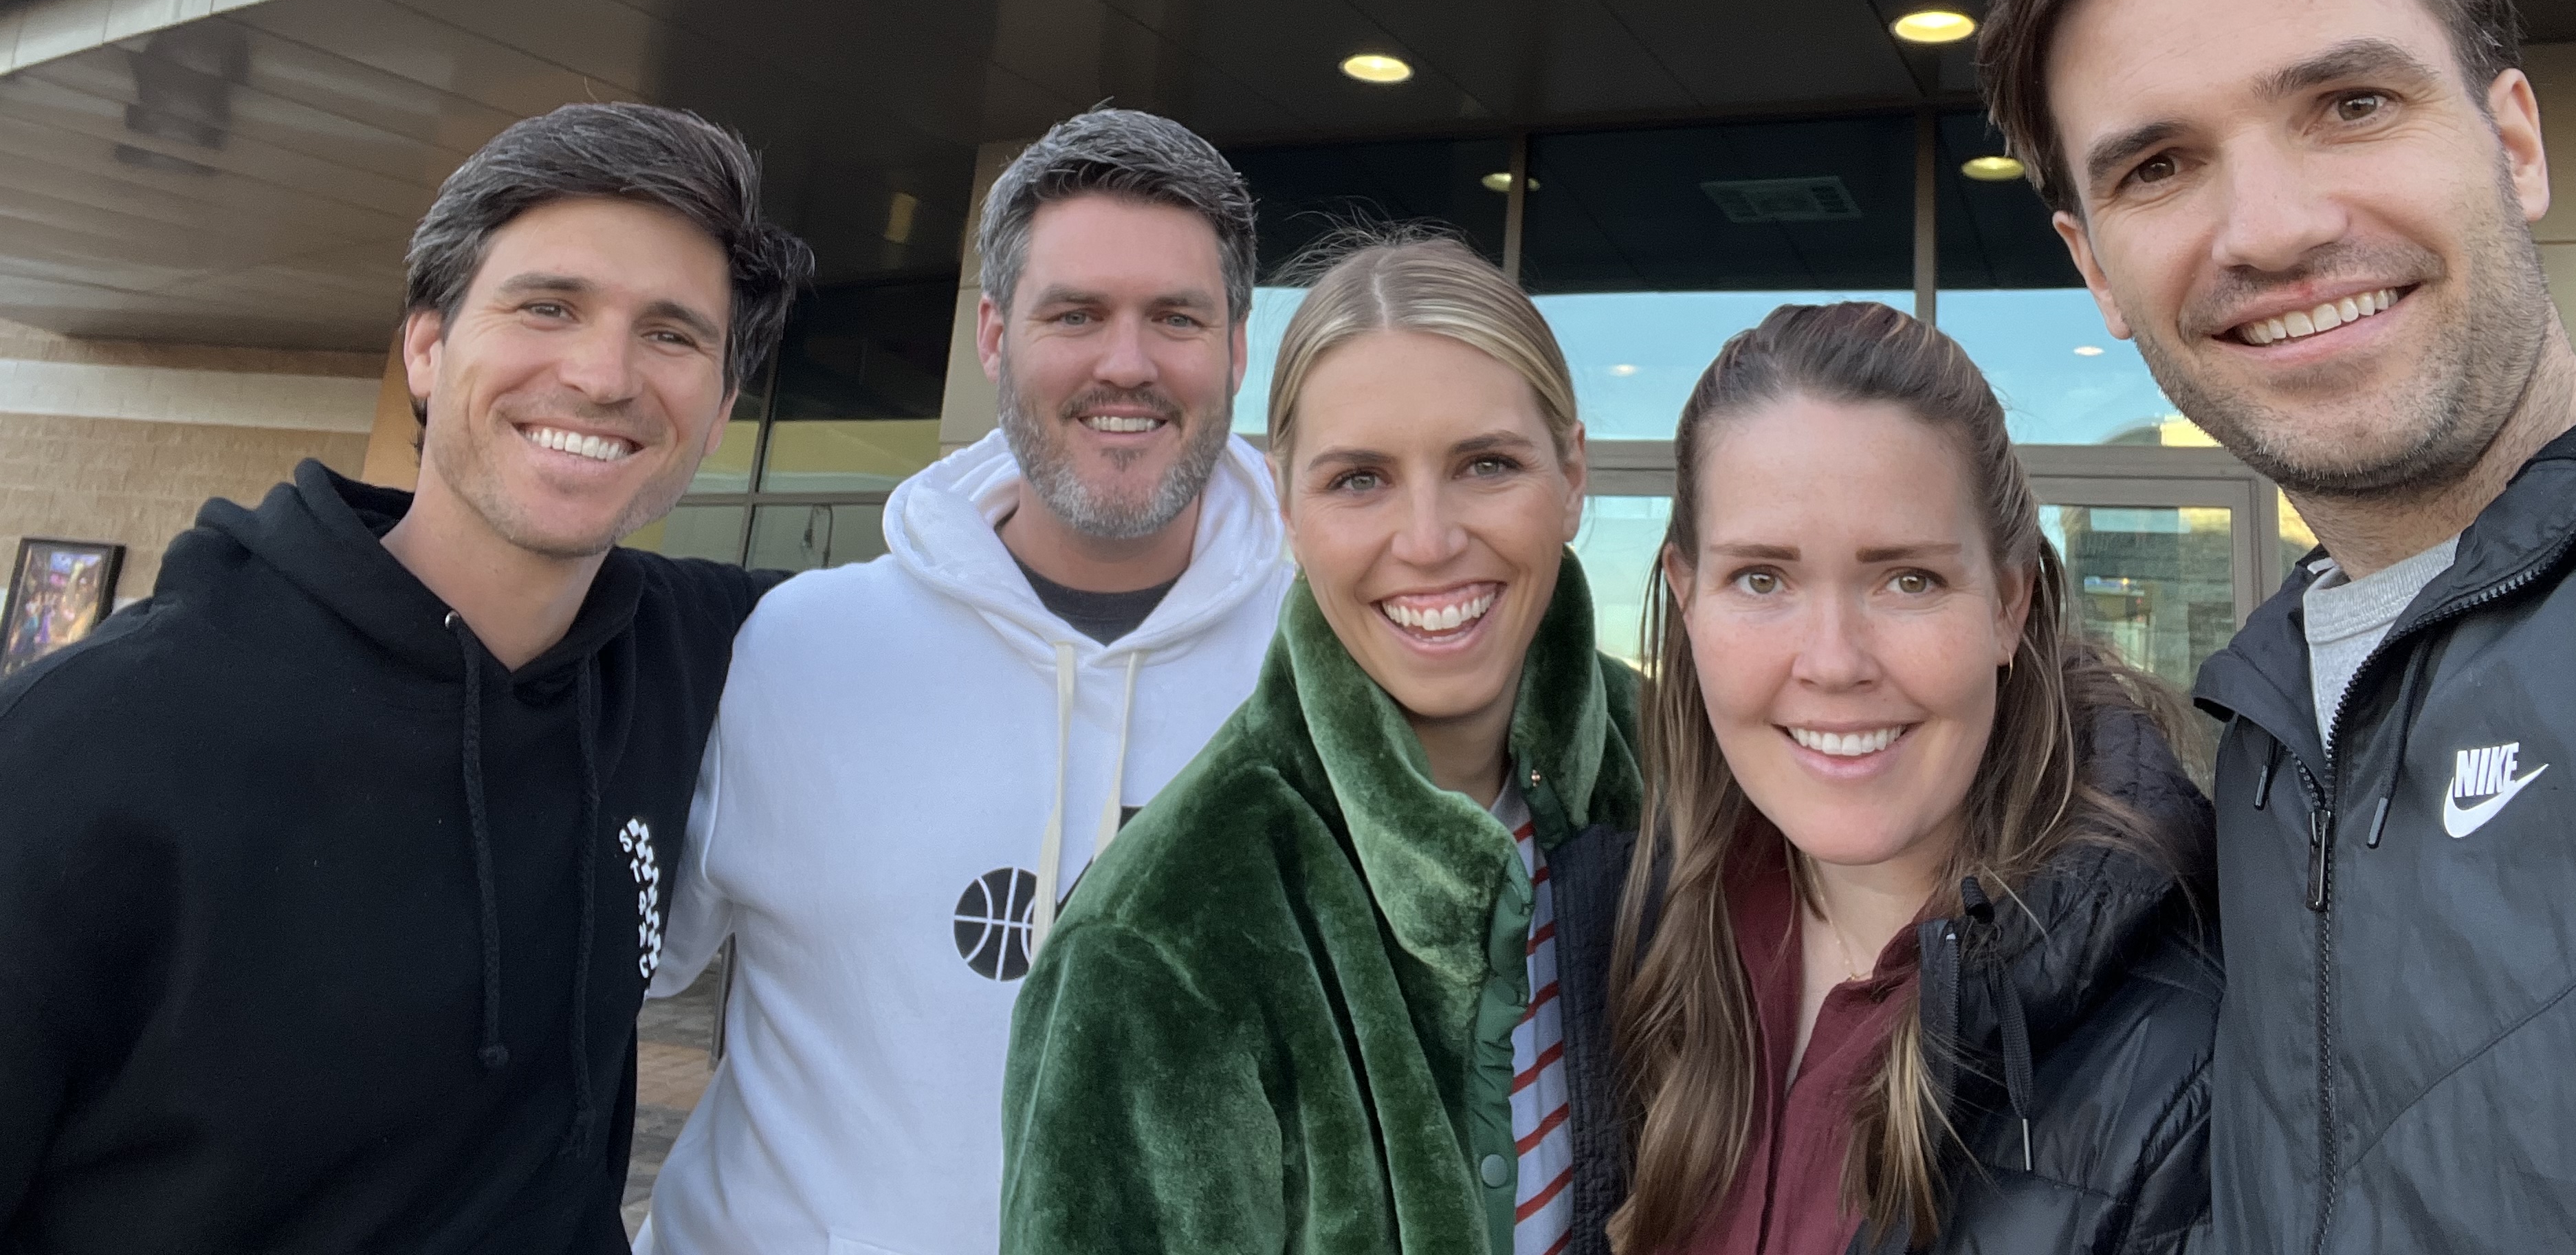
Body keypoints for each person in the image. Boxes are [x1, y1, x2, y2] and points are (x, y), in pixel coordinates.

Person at [1977, 0, 2576, 1249]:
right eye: (2160, 166)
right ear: (2096, 271)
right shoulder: (2263, 754)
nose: (2274, 228)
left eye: (2351, 104)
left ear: (2513, 142)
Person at [0, 102, 813, 1254]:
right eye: (548, 306)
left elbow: (982, 578)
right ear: (425, 347)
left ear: (722, 411)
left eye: (673, 334)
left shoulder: (699, 653)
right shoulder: (88, 743)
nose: (602, 374)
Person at [640, 109, 1290, 1255]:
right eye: (1074, 315)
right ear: (994, 335)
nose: (1126, 363)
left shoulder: (1331, 675)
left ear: (1237, 349)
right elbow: (597, 991)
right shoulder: (793, 649)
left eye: (1176, 318)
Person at [1000, 234, 1643, 1255]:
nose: (1428, 541)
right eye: (1359, 480)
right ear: (1287, 507)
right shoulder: (1156, 946)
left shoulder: (1683, 775)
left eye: (1486, 465)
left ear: (1570, 475)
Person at [1609, 301, 2215, 1255]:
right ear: (1687, 597)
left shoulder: (2184, 1058)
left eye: (1908, 580)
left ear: (2010, 603)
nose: (1833, 662)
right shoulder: (1649, 939)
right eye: (1762, 578)